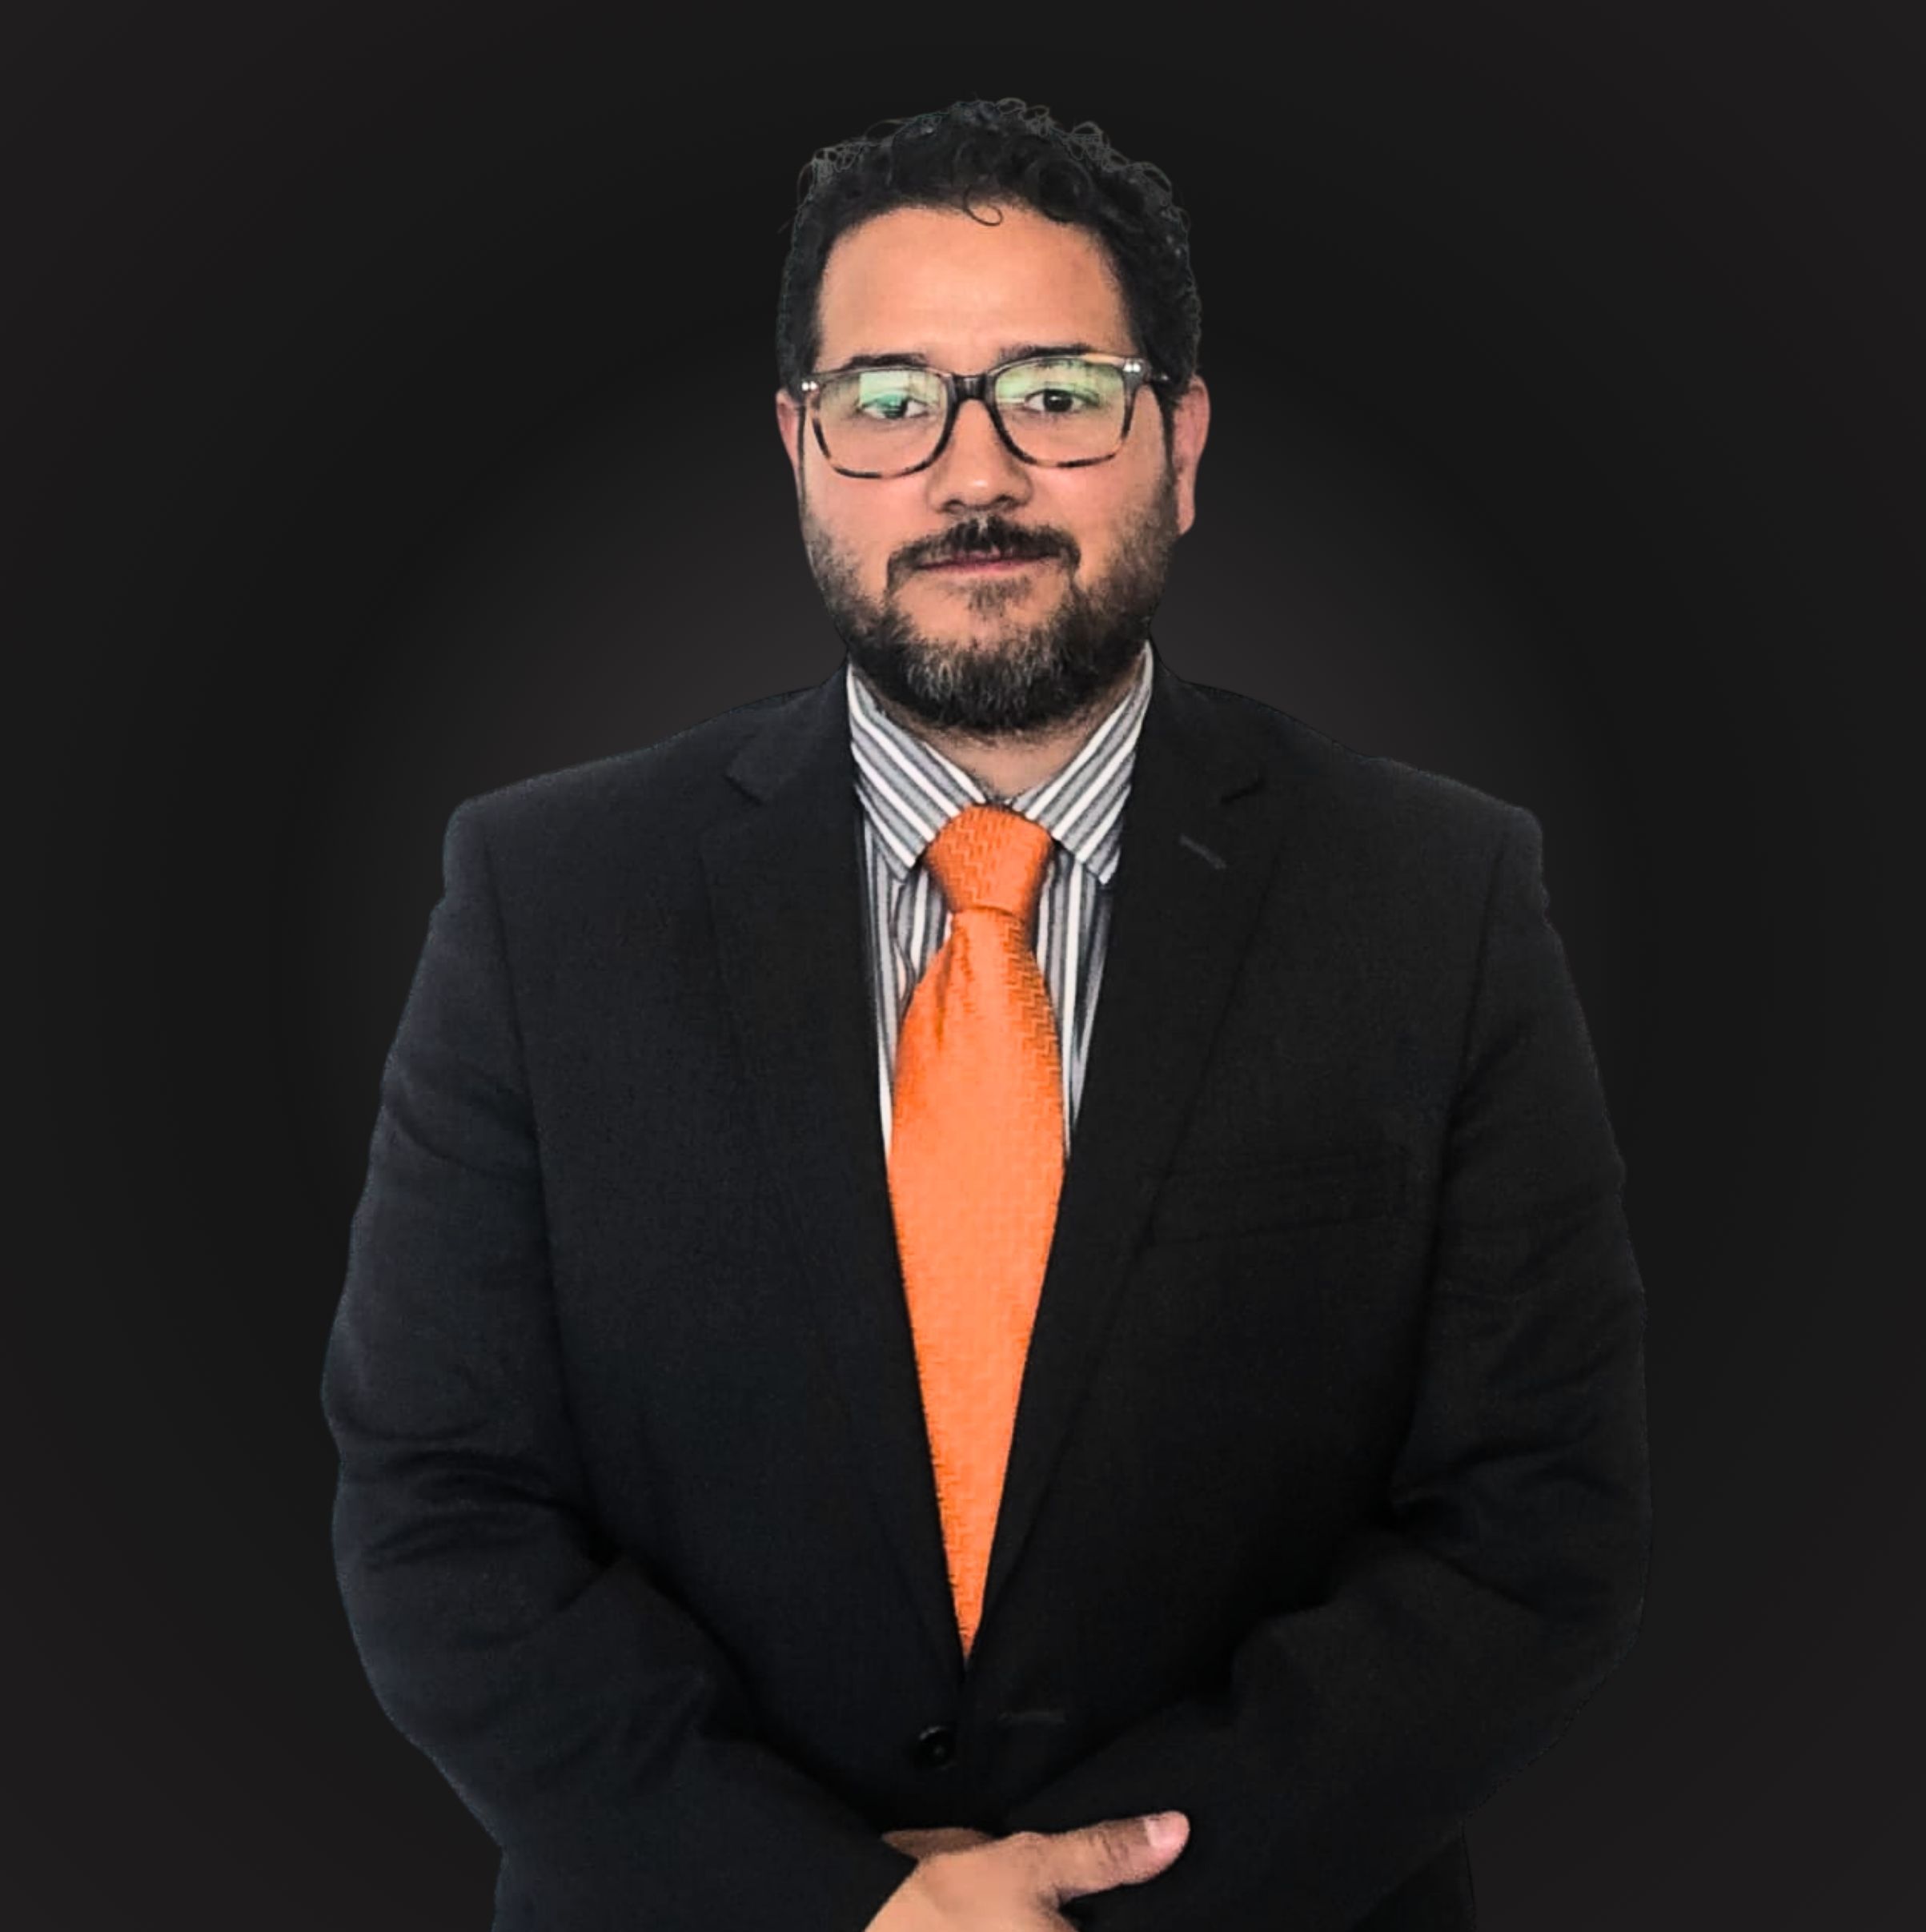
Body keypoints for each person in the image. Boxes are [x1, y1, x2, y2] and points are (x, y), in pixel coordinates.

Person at [322, 97, 1650, 1932]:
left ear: (1182, 442)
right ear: (800, 451)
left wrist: (1084, 1905)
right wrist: (838, 1906)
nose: (975, 473)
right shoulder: (542, 898)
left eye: (1059, 392)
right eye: (889, 399)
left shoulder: (1440, 897)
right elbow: (440, 1508)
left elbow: (1534, 1520)